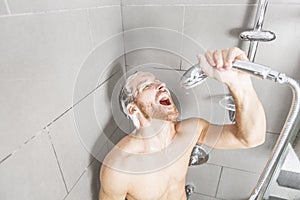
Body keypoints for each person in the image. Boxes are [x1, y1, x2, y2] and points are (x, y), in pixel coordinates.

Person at [99, 47, 266, 200]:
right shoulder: (119, 167)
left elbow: (251, 139)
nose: (162, 85)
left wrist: (239, 83)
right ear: (133, 110)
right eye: (147, 85)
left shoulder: (189, 132)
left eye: (158, 82)